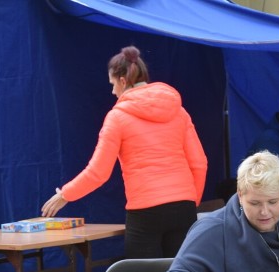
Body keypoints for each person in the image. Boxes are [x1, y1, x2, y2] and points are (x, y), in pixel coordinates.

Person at [41, 46, 207, 259]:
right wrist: (192, 201)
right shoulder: (179, 112)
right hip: (183, 207)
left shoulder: (117, 117)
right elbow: (199, 163)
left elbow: (98, 172)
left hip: (146, 211)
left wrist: (65, 194)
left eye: (112, 85)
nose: (112, 92)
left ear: (122, 81)